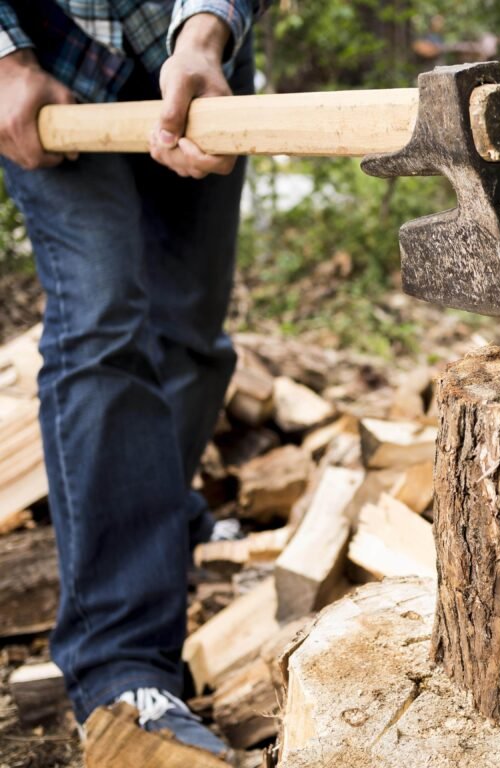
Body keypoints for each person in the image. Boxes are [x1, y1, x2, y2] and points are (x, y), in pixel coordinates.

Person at [0, 0, 271, 757]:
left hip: (187, 48)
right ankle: (119, 667)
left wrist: (204, 36)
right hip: (37, 51)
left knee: (189, 334)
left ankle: (145, 508)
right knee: (103, 318)